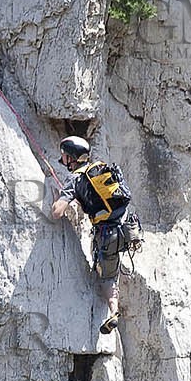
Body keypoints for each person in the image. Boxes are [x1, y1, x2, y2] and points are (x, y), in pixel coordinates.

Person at [49, 135, 142, 335]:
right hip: (127, 226)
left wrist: (57, 200)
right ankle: (114, 310)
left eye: (65, 156)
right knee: (113, 269)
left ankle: (114, 311)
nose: (63, 159)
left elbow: (57, 212)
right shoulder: (99, 168)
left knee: (108, 278)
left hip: (107, 234)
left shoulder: (75, 179)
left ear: (71, 158)